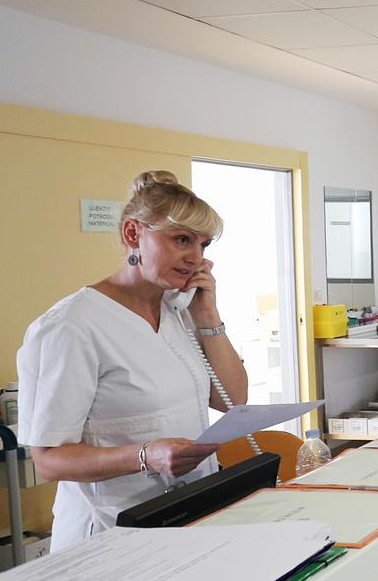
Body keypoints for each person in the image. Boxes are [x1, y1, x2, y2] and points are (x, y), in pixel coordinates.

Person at [17, 170, 248, 552]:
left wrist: (208, 315)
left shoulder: (179, 313)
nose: (196, 258)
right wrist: (145, 456)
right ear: (132, 234)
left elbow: (232, 400)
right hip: (109, 534)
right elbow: (49, 461)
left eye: (203, 245)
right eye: (182, 239)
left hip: (185, 515)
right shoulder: (71, 326)